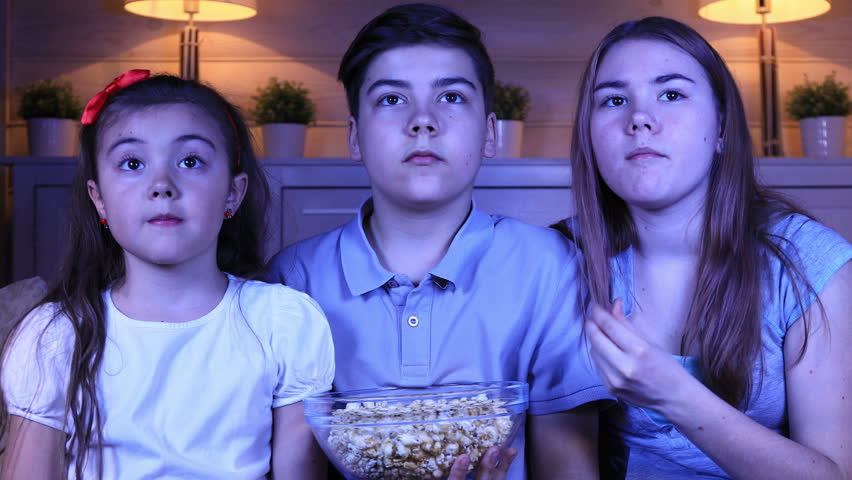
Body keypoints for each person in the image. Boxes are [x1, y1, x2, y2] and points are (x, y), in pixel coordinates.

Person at [264, 4, 611, 479]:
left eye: (451, 97)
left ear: (490, 133)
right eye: (391, 99)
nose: (422, 121)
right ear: (354, 138)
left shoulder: (550, 267)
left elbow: (568, 462)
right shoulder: (293, 280)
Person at [556, 16, 852, 479]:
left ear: (721, 128)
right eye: (614, 100)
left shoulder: (807, 260)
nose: (639, 119)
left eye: (671, 94)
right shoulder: (558, 261)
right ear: (590, 137)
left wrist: (673, 393)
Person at [0, 71, 335, 479]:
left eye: (190, 161)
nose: (161, 185)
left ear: (233, 191)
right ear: (99, 199)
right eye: (133, 163)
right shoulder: (56, 335)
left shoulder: (282, 321)